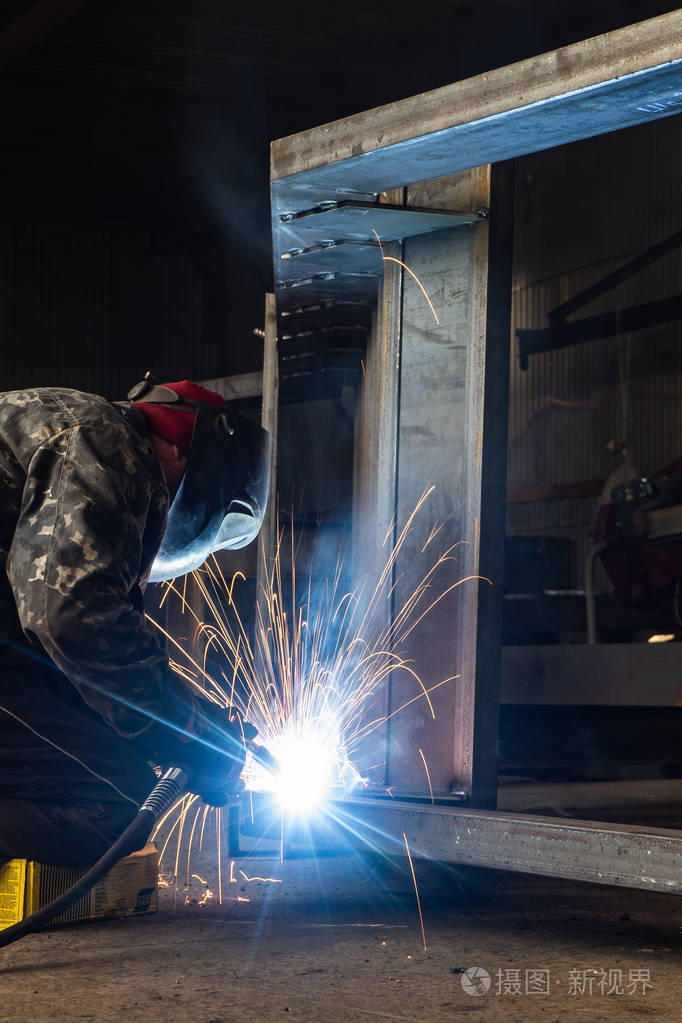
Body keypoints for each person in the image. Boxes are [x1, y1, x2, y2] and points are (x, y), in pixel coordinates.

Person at [0, 376, 269, 865]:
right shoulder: (109, 443)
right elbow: (74, 619)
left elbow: (61, 651)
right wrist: (193, 736)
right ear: (183, 453)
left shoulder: (74, 429)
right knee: (118, 802)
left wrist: (191, 723)